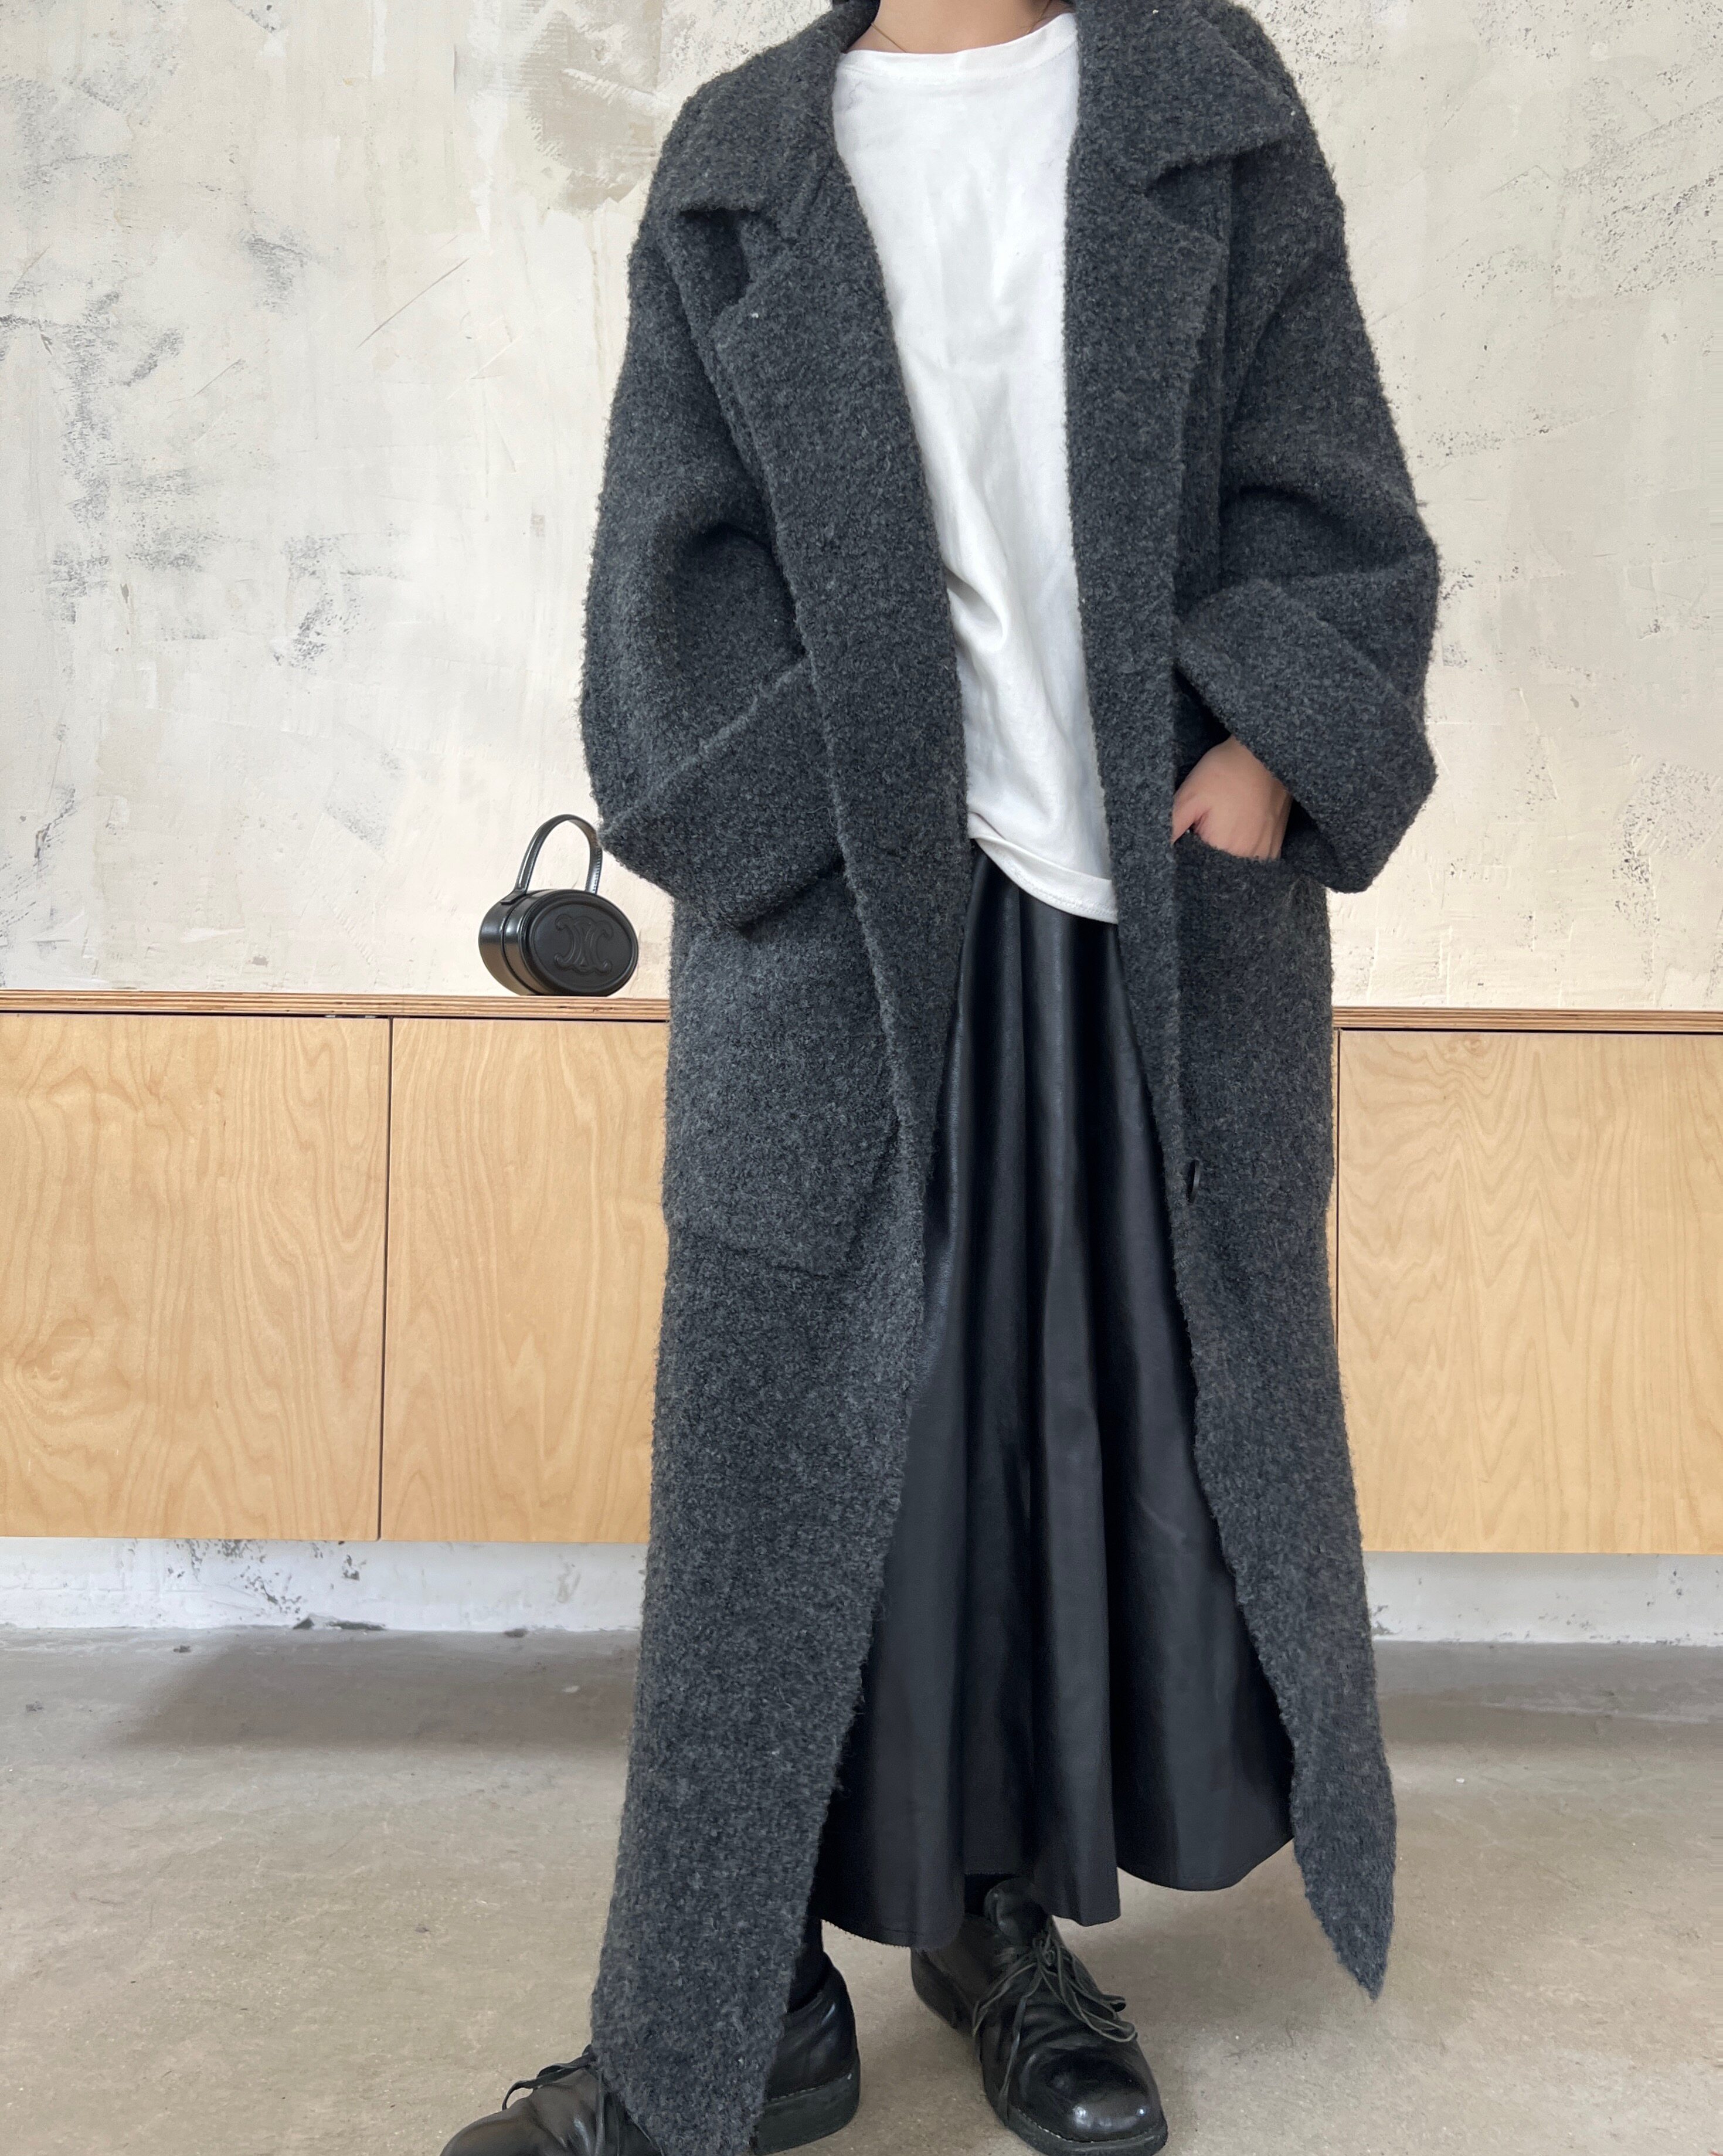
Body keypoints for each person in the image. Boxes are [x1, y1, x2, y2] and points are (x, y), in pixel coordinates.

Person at [441, 0, 1439, 2150]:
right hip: (845, 927)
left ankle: (1005, 1922)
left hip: (1144, 910)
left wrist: (1273, 743)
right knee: (812, 1471)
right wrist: (790, 804)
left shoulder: (1201, 103)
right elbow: (667, 566)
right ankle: (738, 2005)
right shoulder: (740, 158)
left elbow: (1329, 482)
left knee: (1067, 1453)